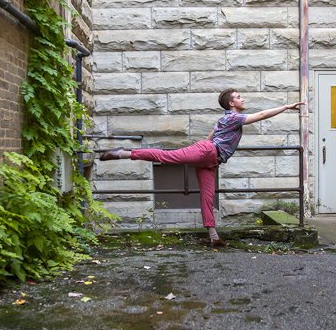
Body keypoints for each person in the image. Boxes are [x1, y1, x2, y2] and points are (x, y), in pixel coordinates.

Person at [100, 89, 304, 246]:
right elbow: (260, 116)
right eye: (239, 97)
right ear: (232, 103)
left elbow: (211, 134)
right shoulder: (233, 117)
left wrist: (204, 146)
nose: (243, 99)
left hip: (211, 159)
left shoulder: (225, 118)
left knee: (207, 197)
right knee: (168, 156)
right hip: (208, 153)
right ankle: (124, 153)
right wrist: (285, 107)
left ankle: (213, 237)